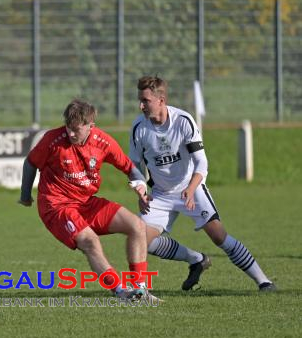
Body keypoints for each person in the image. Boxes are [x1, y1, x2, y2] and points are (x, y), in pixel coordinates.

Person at [129, 76, 275, 292]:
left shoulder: (183, 121)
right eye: (140, 100)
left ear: (161, 100)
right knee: (141, 239)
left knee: (219, 236)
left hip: (191, 187)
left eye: (145, 101)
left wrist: (189, 190)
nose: (141, 106)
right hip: (159, 194)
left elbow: (201, 163)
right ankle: (196, 260)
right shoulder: (139, 127)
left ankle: (264, 282)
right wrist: (140, 192)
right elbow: (133, 166)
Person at [19, 98, 161, 302]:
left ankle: (140, 290)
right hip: (57, 205)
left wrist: (141, 188)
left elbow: (130, 169)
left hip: (86, 203)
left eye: (76, 129)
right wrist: (25, 196)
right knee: (90, 241)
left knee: (137, 226)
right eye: (68, 128)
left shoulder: (103, 142)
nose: (70, 133)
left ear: (90, 126)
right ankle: (121, 292)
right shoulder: (52, 140)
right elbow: (30, 163)